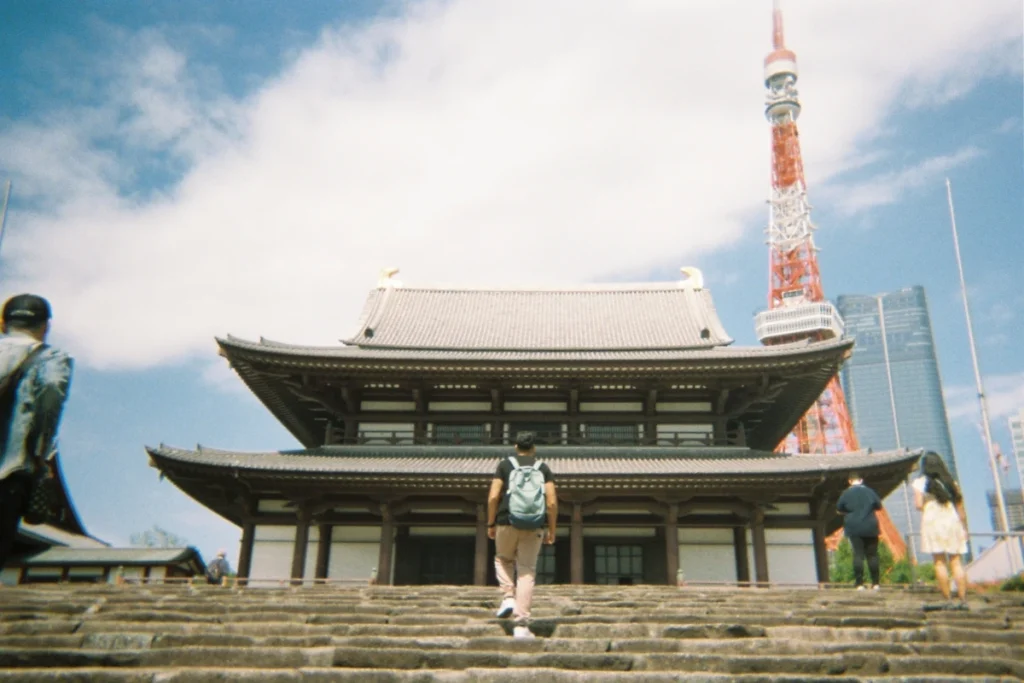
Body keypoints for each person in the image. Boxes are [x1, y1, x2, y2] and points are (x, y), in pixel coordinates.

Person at [0, 294, 73, 570]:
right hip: (12, 467)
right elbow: (52, 390)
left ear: (4, 323)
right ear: (45, 326)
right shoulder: (51, 358)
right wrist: (41, 451)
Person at [487, 431, 557, 639]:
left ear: (516, 447)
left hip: (506, 521)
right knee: (527, 571)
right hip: (534, 525)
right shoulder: (542, 468)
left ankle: (508, 596)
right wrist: (551, 529)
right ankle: (521, 624)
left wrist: (491, 522)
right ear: (534, 448)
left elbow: (493, 496)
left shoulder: (504, 465)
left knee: (502, 559)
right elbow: (551, 502)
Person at [912, 452, 969, 608]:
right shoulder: (951, 482)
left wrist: (928, 504)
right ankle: (963, 598)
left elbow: (918, 505)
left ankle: (947, 598)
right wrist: (964, 528)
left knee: (939, 562)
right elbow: (960, 507)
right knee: (956, 561)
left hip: (932, 520)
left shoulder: (920, 482)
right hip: (951, 519)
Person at [836, 472, 883, 591]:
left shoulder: (846, 493)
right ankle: (876, 583)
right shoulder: (869, 491)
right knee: (872, 555)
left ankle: (859, 583)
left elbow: (839, 509)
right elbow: (878, 506)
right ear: (861, 480)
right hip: (870, 525)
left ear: (850, 481)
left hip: (854, 526)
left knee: (858, 555)